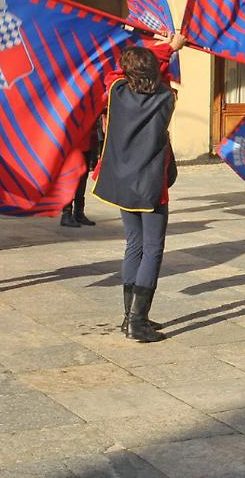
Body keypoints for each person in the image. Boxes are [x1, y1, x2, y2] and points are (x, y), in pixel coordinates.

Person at [92, 33, 185, 343]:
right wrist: (170, 49)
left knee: (134, 244)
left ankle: (128, 317)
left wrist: (165, 49)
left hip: (122, 182)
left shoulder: (116, 92)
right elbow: (162, 75)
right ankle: (137, 321)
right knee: (153, 248)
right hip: (149, 185)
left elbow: (117, 73)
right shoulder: (167, 97)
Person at [60, 116, 103, 228]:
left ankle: (79, 213)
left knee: (83, 179)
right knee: (70, 180)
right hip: (73, 145)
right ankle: (66, 214)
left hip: (87, 142)